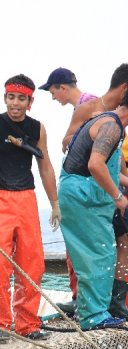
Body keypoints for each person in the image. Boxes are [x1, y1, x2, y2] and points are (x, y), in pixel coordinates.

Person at [0, 74, 60, 340]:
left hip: (26, 198)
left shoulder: (37, 128)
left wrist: (54, 203)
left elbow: (45, 166)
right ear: (4, 97)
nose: (15, 103)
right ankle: (1, 325)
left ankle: (28, 324)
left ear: (30, 101)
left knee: (32, 263)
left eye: (21, 98)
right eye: (11, 97)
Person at [61, 64, 128, 319]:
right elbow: (95, 164)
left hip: (85, 195)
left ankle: (96, 312)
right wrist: (118, 196)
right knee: (97, 254)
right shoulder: (111, 125)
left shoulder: (109, 122)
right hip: (83, 195)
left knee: (101, 252)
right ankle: (94, 317)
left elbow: (108, 170)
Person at [39, 67, 97, 315]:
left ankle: (85, 300)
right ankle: (80, 297)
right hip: (85, 185)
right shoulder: (84, 107)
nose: (53, 97)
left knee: (81, 247)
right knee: (77, 247)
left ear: (63, 87)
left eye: (53, 91)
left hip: (88, 187)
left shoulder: (90, 105)